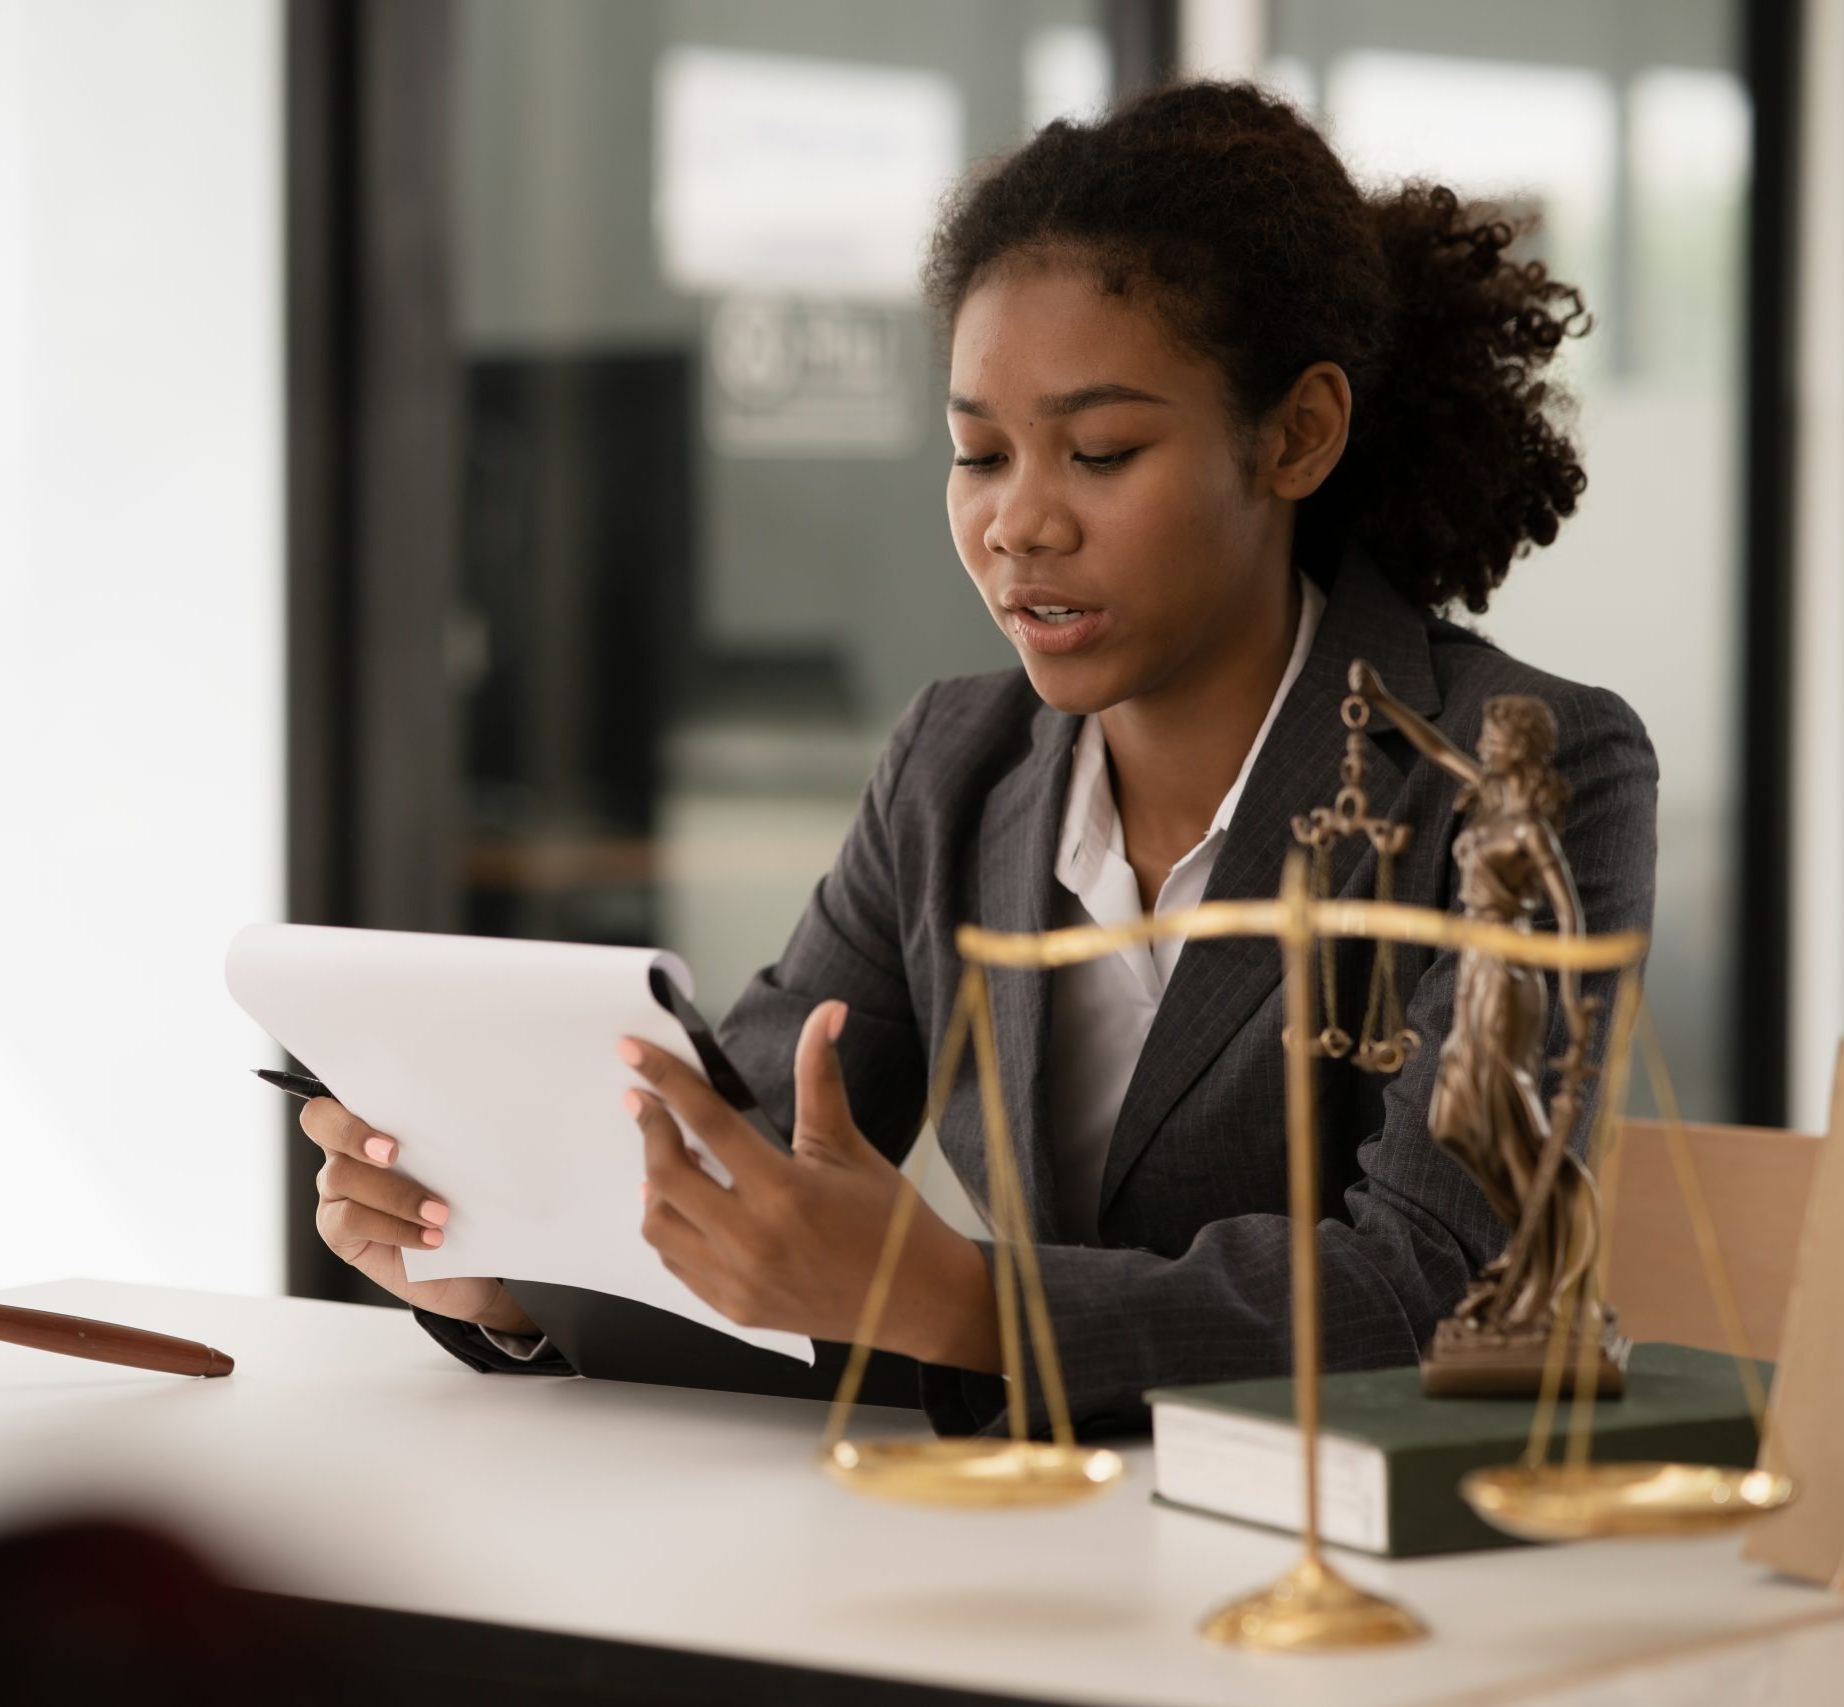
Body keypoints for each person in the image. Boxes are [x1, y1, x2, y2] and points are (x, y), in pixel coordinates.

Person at [294, 79, 1656, 1437]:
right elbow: (746, 1177)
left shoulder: (1515, 773)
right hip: (1026, 1544)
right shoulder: (956, 763)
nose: (1016, 525)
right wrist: (523, 1266)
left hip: (1364, 1588)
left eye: (1100, 452)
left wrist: (961, 1303)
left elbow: (1438, 1292)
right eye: (976, 453)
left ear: (1294, 434)